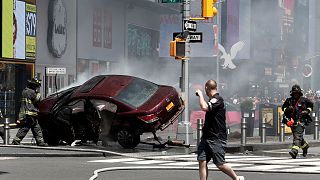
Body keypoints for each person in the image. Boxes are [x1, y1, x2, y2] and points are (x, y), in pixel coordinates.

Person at [195, 80, 244, 180]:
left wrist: (200, 95)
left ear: (206, 88)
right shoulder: (213, 99)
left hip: (216, 138)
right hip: (207, 137)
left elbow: (204, 107)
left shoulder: (217, 99)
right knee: (202, 160)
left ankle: (236, 178)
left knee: (220, 164)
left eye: (205, 90)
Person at [12, 77, 47, 146]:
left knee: (36, 128)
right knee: (25, 128)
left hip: (28, 113)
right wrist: (39, 94)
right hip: (30, 113)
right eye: (37, 86)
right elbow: (37, 100)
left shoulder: (25, 91)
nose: (37, 88)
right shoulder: (32, 92)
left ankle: (40, 142)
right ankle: (16, 141)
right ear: (34, 85)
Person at [282, 84, 313, 159]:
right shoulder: (289, 100)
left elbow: (311, 105)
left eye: (297, 93)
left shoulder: (304, 100)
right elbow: (283, 108)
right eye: (294, 93)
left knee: (297, 136)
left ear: (299, 93)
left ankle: (294, 151)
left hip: (301, 121)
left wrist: (307, 111)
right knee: (298, 137)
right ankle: (305, 146)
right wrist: (287, 109)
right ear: (292, 93)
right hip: (292, 122)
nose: (296, 94)